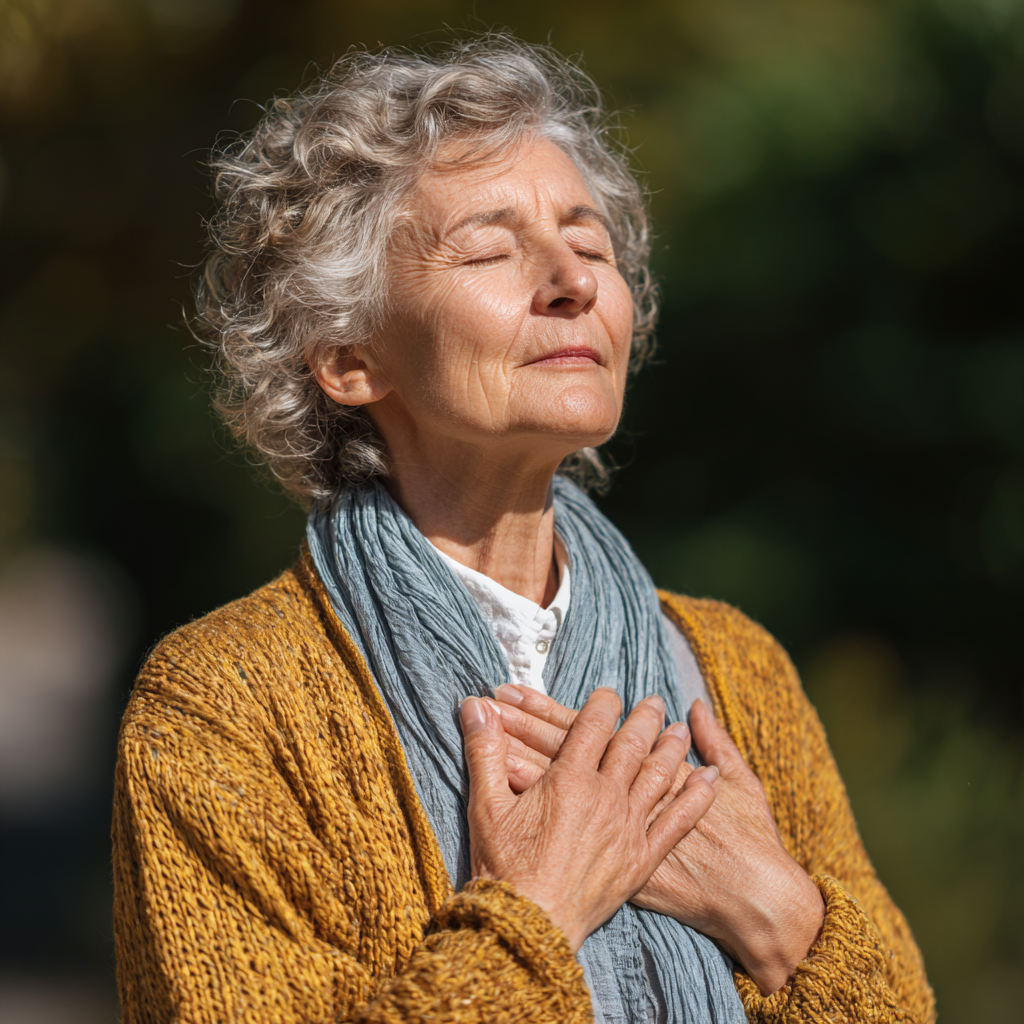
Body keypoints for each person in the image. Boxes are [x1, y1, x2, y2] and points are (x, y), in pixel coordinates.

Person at [112, 35, 935, 1024]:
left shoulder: (734, 671)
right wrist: (538, 907)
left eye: (590, 246)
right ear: (346, 355)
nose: (573, 281)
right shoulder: (224, 710)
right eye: (492, 250)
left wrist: (775, 912)